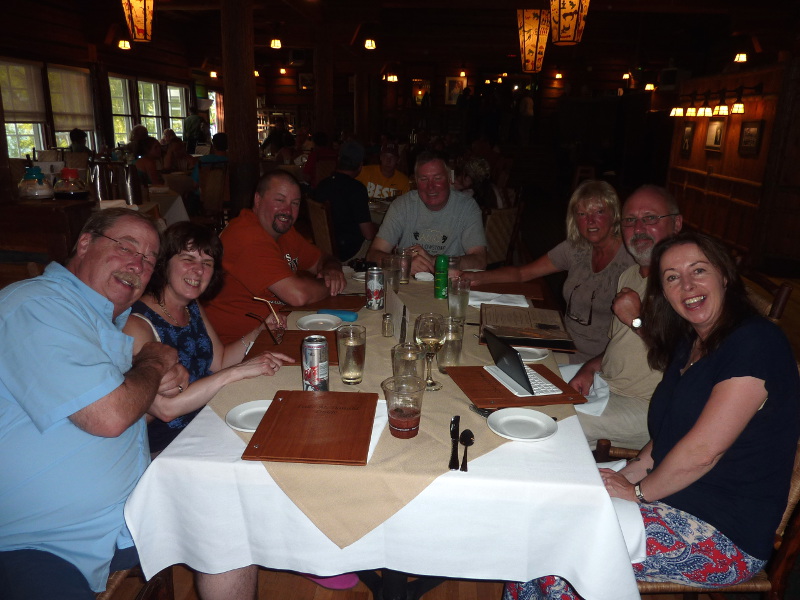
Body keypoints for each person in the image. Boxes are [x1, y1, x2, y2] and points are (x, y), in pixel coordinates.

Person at [506, 232, 800, 598]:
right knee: (543, 510)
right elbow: (667, 435)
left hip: (723, 533)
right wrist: (627, 474)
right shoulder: (692, 343)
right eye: (672, 277)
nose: (687, 285)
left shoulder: (756, 343)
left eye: (698, 270)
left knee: (562, 557)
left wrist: (639, 492)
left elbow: (702, 452)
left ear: (724, 275)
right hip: (676, 496)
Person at [0, 208, 190, 598]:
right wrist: (153, 362)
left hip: (119, 523)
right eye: (127, 247)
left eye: (150, 260)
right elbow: (109, 417)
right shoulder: (35, 305)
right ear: (84, 243)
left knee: (235, 506)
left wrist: (150, 386)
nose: (138, 264)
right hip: (36, 542)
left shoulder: (102, 321)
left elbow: (119, 417)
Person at [123, 222, 291, 454]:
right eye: (188, 259)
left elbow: (219, 361)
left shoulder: (192, 306)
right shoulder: (137, 324)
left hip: (208, 421)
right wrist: (237, 372)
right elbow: (165, 409)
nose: (198, 270)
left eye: (207, 263)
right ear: (164, 263)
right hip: (168, 447)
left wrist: (259, 331)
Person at [459, 180, 635, 363]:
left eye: (599, 212)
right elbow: (522, 273)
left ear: (614, 214)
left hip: (597, 360)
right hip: (563, 343)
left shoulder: (630, 260)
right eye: (582, 214)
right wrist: (475, 277)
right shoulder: (576, 249)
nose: (590, 221)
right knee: (486, 349)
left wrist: (593, 367)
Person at [569, 185, 683, 449]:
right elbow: (617, 345)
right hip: (605, 384)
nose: (639, 228)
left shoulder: (684, 283)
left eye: (650, 218)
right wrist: (589, 368)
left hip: (645, 407)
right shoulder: (629, 276)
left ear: (676, 224)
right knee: (530, 383)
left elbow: (683, 361)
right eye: (630, 220)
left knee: (549, 417)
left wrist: (637, 320)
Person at [204, 170, 346, 344]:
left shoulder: (284, 232)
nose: (287, 210)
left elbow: (320, 259)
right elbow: (298, 295)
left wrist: (331, 268)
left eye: (295, 203)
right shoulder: (246, 235)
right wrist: (330, 283)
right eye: (279, 200)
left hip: (273, 330)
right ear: (257, 200)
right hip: (238, 347)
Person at [366, 151, 487, 274]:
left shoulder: (467, 207)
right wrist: (402, 263)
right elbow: (373, 254)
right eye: (424, 179)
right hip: (408, 285)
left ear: (450, 179)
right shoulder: (402, 205)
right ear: (416, 182)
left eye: (437, 178)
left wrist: (435, 261)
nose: (431, 186)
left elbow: (479, 260)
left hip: (448, 284)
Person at [314, 140, 378, 262]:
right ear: (360, 165)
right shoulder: (356, 189)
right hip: (350, 253)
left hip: (323, 249)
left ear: (338, 159)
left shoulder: (322, 185)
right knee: (384, 245)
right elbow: (368, 234)